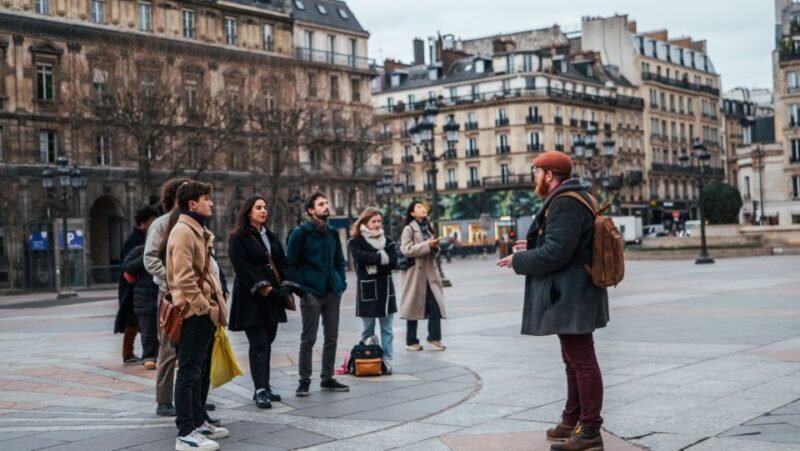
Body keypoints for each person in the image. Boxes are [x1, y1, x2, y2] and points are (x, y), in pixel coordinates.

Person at [497, 151, 609, 451]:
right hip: (573, 291)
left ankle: (589, 430)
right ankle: (572, 419)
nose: (534, 177)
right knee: (573, 360)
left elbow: (556, 253)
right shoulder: (573, 197)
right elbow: (565, 244)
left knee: (582, 361)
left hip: (572, 293)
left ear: (549, 174)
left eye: (536, 171)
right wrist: (532, 244)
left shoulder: (565, 202)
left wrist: (519, 259)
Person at [166, 181, 230, 451]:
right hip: (193, 313)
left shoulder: (197, 231)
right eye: (207, 198)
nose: (211, 203)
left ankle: (198, 421)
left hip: (204, 313)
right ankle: (185, 432)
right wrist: (203, 306)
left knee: (200, 371)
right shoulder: (183, 232)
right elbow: (183, 279)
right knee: (189, 372)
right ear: (192, 204)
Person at [228, 195, 296, 409]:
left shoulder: (270, 235)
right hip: (252, 299)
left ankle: (265, 385)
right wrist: (264, 287)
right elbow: (242, 267)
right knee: (258, 344)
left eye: (265, 207)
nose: (263, 211)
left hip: (272, 299)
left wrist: (285, 283)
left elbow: (281, 260)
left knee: (268, 341)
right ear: (248, 212)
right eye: (258, 207)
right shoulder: (238, 238)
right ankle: (259, 390)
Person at [286, 192, 349, 397]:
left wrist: (341, 283)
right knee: (308, 338)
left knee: (332, 337)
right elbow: (291, 264)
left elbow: (340, 260)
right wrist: (303, 291)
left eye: (326, 203)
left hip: (332, 291)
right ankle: (304, 380)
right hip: (311, 293)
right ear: (311, 210)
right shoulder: (300, 233)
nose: (326, 206)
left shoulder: (331, 233)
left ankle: (327, 377)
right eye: (321, 204)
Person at [144, 178, 189, 417]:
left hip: (192, 293)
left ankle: (193, 396)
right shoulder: (161, 224)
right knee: (169, 349)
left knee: (193, 349)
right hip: (170, 294)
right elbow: (149, 258)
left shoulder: (194, 224)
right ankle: (163, 400)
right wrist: (171, 280)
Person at [347, 207, 398, 374]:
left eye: (379, 221)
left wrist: (375, 261)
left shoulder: (388, 240)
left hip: (385, 290)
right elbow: (360, 258)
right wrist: (381, 258)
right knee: (367, 329)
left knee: (387, 330)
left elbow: (393, 262)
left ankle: (387, 361)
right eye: (373, 221)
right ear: (365, 222)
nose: (377, 224)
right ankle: (366, 359)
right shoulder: (355, 241)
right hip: (368, 291)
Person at [398, 201, 446, 352]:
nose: (423, 209)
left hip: (430, 273)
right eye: (418, 207)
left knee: (436, 305)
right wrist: (427, 245)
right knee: (413, 306)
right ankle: (411, 340)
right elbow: (406, 249)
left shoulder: (428, 227)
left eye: (423, 206)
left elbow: (432, 251)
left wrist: (435, 247)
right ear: (412, 213)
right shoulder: (409, 228)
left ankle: (434, 338)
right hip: (415, 274)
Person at [114, 205, 159, 364]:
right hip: (131, 287)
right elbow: (127, 267)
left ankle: (133, 353)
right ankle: (128, 353)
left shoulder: (143, 237)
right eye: (152, 220)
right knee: (131, 320)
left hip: (140, 287)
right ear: (145, 222)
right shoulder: (135, 240)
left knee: (136, 321)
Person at [122, 244, 159, 369]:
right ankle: (149, 356)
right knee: (148, 329)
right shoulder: (139, 250)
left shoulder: (168, 248)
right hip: (144, 296)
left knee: (169, 328)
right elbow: (127, 268)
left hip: (164, 294)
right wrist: (147, 256)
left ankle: (171, 355)